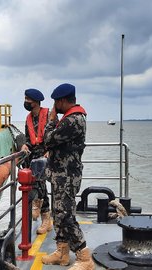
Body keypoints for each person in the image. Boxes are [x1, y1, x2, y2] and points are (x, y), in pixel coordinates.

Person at [41, 83, 94, 269]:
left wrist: (51, 120)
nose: (54, 106)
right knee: (58, 213)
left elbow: (47, 139)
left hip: (67, 176)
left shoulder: (73, 120)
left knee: (65, 215)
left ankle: (84, 256)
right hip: (59, 174)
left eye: (56, 102)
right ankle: (62, 252)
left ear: (62, 101)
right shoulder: (69, 118)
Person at [20, 88, 53, 234]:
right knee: (34, 182)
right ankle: (39, 207)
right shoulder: (28, 118)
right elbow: (28, 138)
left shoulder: (49, 115)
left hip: (47, 155)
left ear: (36, 102)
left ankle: (46, 218)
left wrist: (50, 151)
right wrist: (24, 144)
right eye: (25, 99)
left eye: (28, 99)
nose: (26, 102)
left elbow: (55, 135)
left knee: (40, 183)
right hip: (33, 156)